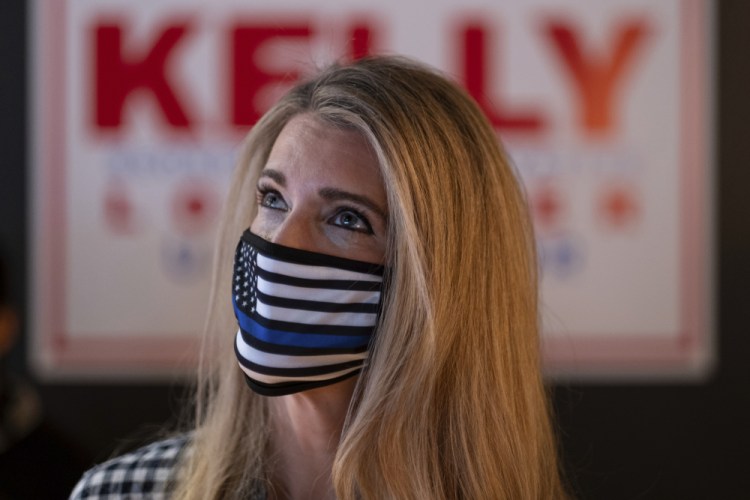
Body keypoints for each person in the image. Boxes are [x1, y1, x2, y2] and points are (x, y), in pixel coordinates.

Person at [71, 55, 569, 499]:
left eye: (347, 219)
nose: (278, 244)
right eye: (273, 200)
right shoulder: (119, 493)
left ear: (437, 280)